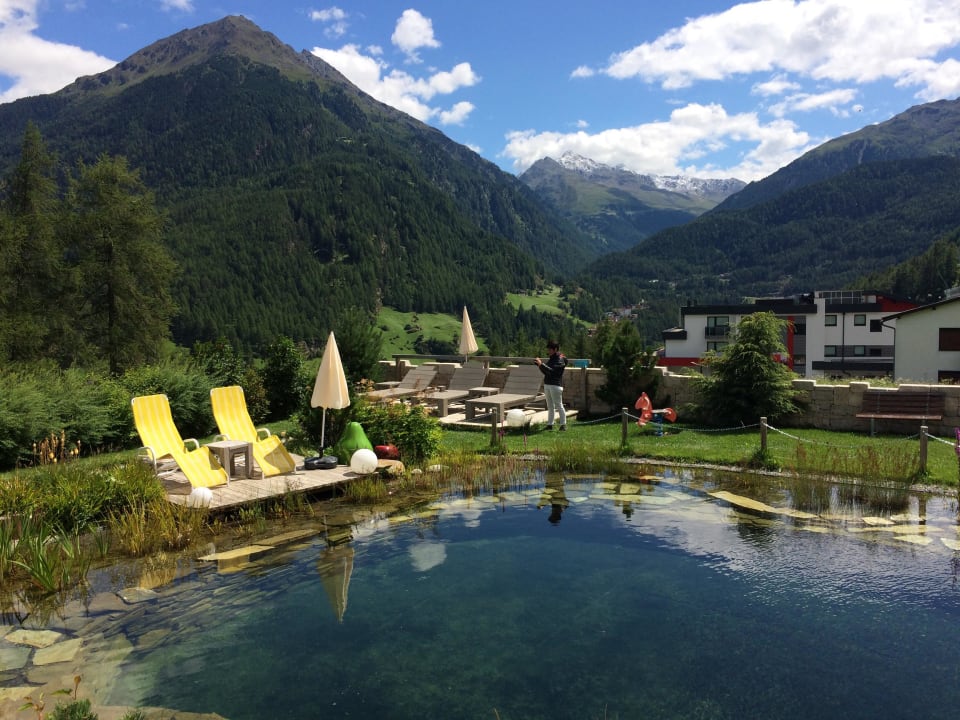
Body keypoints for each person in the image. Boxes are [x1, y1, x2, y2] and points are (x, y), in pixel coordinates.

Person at [535, 339, 568, 430]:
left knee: (559, 405)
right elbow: (546, 372)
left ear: (555, 349)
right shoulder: (552, 359)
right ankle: (550, 424)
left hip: (556, 385)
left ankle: (563, 425)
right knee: (550, 406)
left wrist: (541, 365)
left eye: (550, 349)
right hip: (548, 384)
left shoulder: (560, 360)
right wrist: (539, 366)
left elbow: (552, 372)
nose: (548, 351)